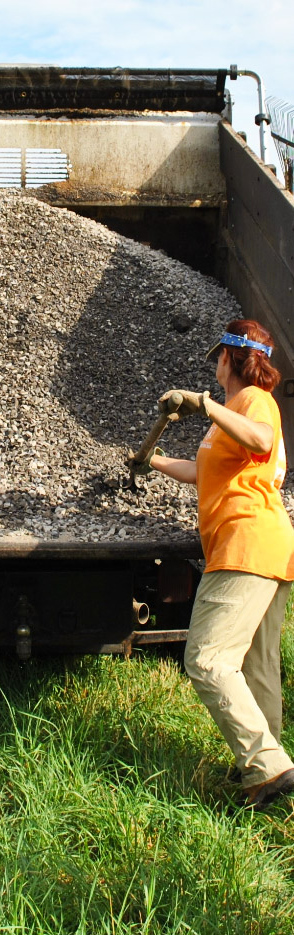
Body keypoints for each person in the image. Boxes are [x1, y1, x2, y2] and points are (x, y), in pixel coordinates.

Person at [140, 318, 294, 810]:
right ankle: (269, 778)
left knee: (206, 659)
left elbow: (262, 441)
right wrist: (153, 461)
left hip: (243, 546)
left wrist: (203, 403)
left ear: (229, 357)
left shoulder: (252, 402)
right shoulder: (229, 413)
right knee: (256, 667)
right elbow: (204, 470)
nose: (216, 366)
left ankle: (268, 768)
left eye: (218, 358)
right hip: (270, 550)